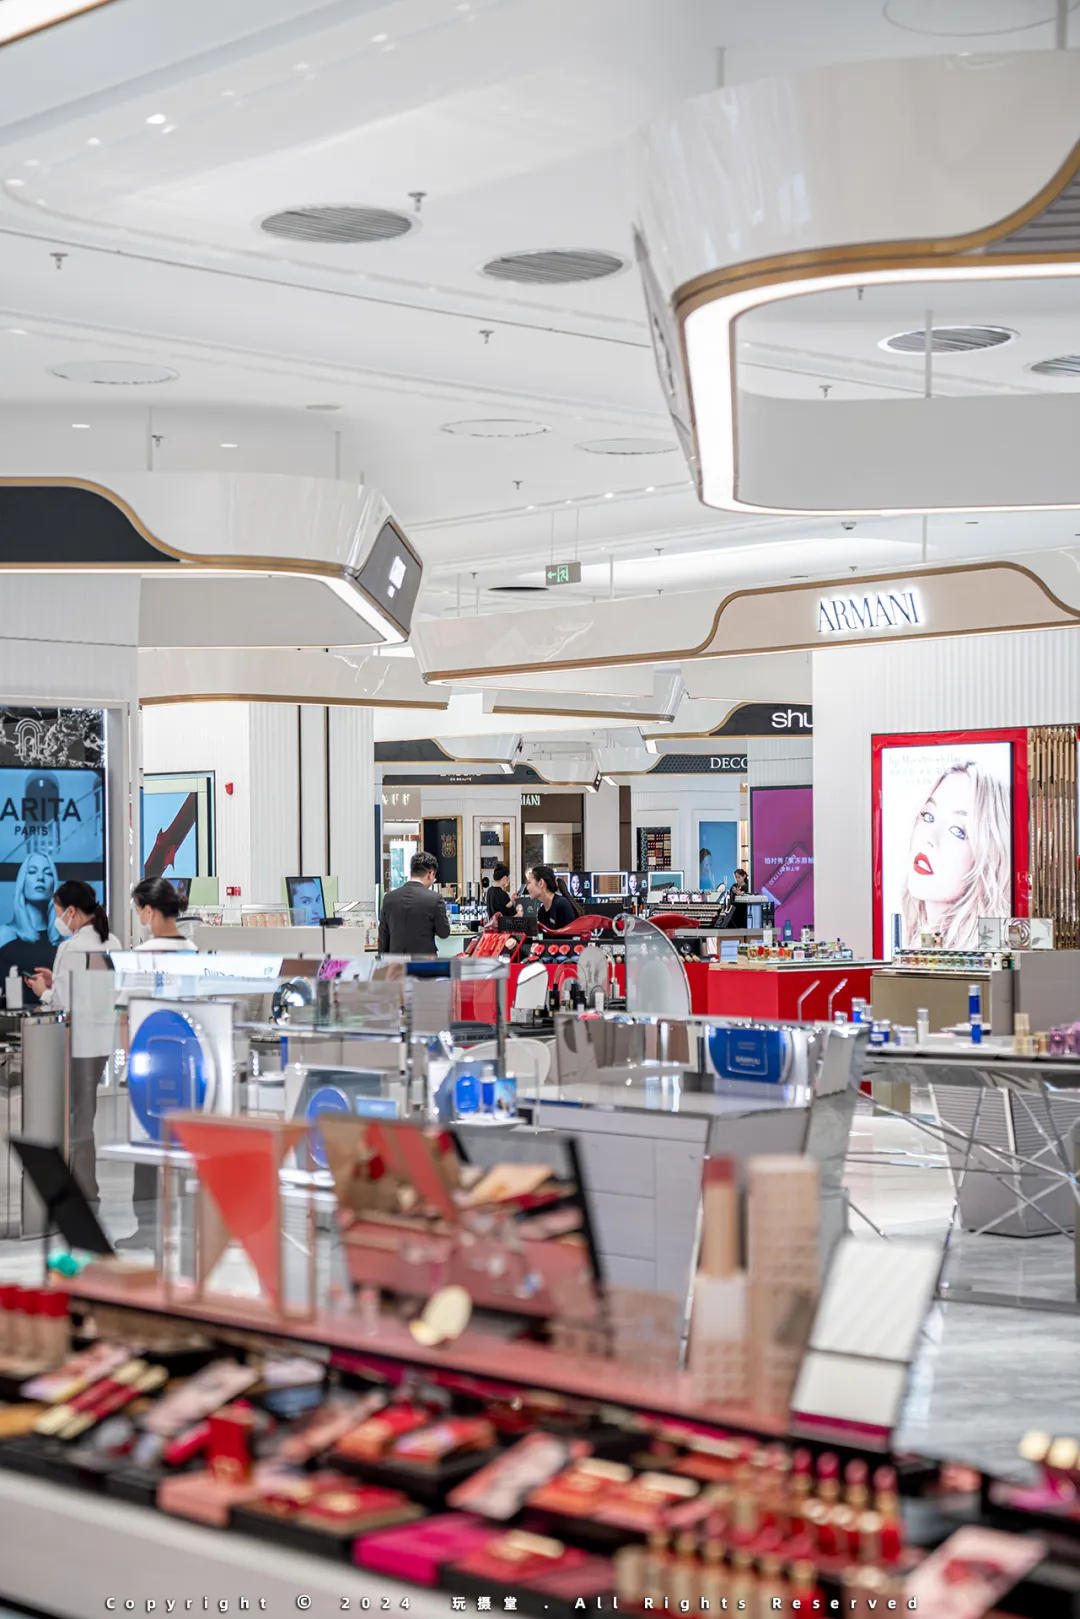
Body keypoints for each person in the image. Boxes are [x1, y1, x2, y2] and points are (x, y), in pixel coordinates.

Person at [26, 880, 121, 1207]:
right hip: (101, 1043)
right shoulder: (112, 942)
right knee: (84, 1116)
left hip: (77, 1043)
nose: (57, 920)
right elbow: (95, 991)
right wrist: (57, 982)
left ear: (71, 911)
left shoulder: (71, 948)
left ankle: (81, 1190)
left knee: (76, 1120)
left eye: (57, 912)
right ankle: (85, 1187)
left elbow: (62, 1004)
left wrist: (44, 992)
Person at [120, 878, 197, 1252]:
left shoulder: (142, 955)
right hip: (185, 1063)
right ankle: (184, 1227)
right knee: (182, 1144)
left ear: (148, 911)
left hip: (148, 1061)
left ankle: (148, 1228)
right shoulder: (193, 952)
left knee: (147, 1145)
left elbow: (125, 1014)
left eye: (138, 910)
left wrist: (128, 1064)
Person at [900, 761, 1011, 949]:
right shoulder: (913, 935)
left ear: (989, 857)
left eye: (957, 831)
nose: (930, 837)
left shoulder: (996, 941)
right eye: (928, 816)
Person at [0, 849, 60, 1001]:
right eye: (32, 872)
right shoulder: (5, 934)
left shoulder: (62, 938)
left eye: (48, 873)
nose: (40, 878)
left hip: (54, 1011)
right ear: (22, 881)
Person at [378, 850, 451, 955]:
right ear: (430, 874)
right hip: (424, 961)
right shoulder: (435, 899)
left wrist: (382, 960)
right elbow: (444, 933)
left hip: (396, 960)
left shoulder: (389, 898)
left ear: (411, 872)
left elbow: (383, 936)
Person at [527, 864, 576, 931]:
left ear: (541, 883)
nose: (527, 887)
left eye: (529, 882)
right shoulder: (541, 912)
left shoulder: (561, 904)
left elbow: (570, 934)